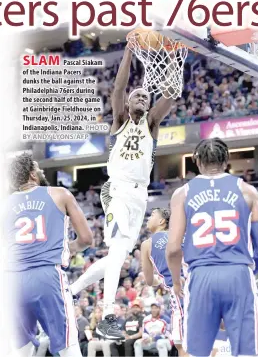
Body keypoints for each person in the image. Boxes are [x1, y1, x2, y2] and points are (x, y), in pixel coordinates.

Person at [71, 44, 176, 339]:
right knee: (117, 251)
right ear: (128, 105)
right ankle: (106, 316)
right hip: (116, 191)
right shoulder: (120, 120)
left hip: (139, 196)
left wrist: (172, 57)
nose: (142, 97)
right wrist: (130, 50)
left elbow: (169, 95)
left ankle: (71, 289)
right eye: (137, 96)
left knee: (119, 256)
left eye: (145, 96)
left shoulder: (151, 124)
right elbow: (118, 87)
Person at [166, 138, 258, 357]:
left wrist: (177, 282)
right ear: (226, 160)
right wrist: (244, 272)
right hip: (238, 273)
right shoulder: (248, 191)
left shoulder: (182, 194)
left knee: (196, 353)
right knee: (246, 352)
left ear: (196, 161)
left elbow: (173, 249)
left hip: (200, 275)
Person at [4, 153, 93, 357]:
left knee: (20, 350)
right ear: (33, 174)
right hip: (47, 276)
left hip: (12, 281)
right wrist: (69, 248)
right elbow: (87, 239)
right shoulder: (59, 193)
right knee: (69, 348)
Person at [140, 208, 186, 357]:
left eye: (152, 215)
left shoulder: (147, 244)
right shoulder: (181, 235)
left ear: (161, 221)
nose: (148, 217)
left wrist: (159, 279)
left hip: (179, 290)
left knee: (182, 343)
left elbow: (148, 280)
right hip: (198, 282)